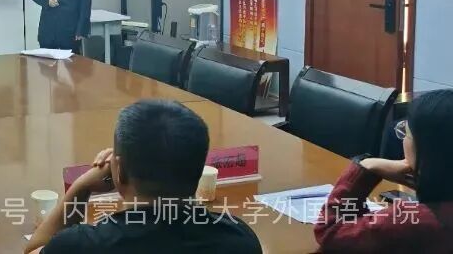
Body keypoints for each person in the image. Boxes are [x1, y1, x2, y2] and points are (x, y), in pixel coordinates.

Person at [24, 100, 261, 254]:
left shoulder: (81, 246)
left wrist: (82, 186)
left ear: (119, 171)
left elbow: (35, 248)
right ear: (199, 170)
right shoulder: (240, 240)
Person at [315, 89, 453, 253]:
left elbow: (330, 232)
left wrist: (366, 167)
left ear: (427, 152)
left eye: (405, 133)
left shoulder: (409, 221)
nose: (402, 139)